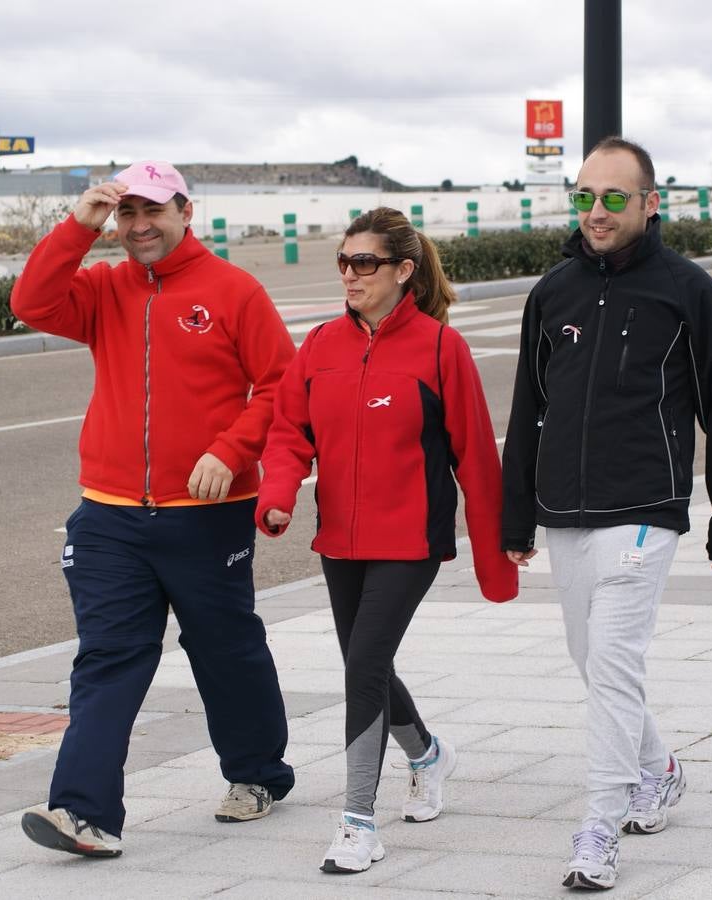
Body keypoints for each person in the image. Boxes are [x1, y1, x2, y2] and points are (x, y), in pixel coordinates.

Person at [10, 160, 296, 858]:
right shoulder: (105, 288)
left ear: (185, 211)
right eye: (126, 215)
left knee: (224, 650)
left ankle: (258, 774)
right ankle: (84, 812)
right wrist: (78, 226)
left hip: (208, 515)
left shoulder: (232, 290)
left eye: (153, 212)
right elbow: (31, 302)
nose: (139, 227)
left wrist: (230, 451)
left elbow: (283, 384)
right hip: (109, 515)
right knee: (107, 659)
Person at [501, 137, 712, 891]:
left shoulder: (687, 290)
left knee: (613, 661)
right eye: (585, 197)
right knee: (593, 662)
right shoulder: (554, 291)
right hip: (566, 511)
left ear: (650, 203)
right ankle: (659, 769)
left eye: (614, 197)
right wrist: (517, 518)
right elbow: (528, 407)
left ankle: (598, 828)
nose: (597, 211)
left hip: (646, 504)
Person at [256, 207, 518, 874]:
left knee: (363, 666)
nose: (350, 274)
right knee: (363, 662)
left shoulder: (439, 348)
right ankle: (428, 755)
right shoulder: (319, 345)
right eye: (344, 261)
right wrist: (279, 495)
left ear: (404, 270)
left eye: (364, 263)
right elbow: (290, 434)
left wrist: (499, 551)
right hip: (340, 539)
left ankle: (357, 823)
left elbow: (476, 461)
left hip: (411, 538)